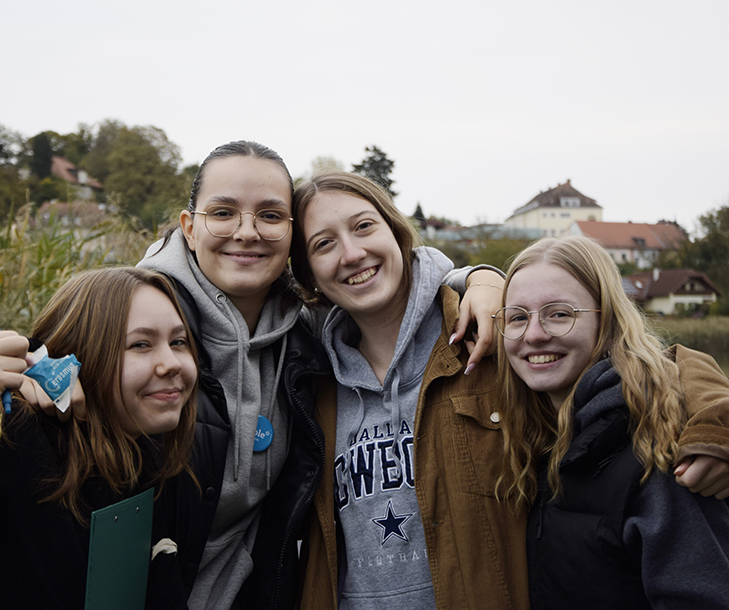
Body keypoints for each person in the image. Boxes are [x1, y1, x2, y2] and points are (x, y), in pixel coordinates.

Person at [289, 171, 729, 610]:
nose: (351, 252)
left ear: (398, 232)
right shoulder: (309, 377)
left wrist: (718, 422)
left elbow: (643, 367)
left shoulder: (486, 336)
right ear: (307, 274)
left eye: (364, 225)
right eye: (322, 243)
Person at [134, 141, 503, 610]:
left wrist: (484, 279)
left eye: (269, 215)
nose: (246, 232)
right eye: (223, 212)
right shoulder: (133, 322)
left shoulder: (305, 339)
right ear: (189, 227)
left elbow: (393, 275)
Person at [0, 267, 200, 609]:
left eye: (178, 342)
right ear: (80, 356)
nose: (171, 362)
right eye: (140, 344)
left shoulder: (149, 455)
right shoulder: (14, 439)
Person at [493, 235, 729, 609]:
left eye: (559, 314)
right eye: (518, 317)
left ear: (608, 320)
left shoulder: (659, 449)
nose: (534, 334)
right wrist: (474, 278)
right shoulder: (532, 442)